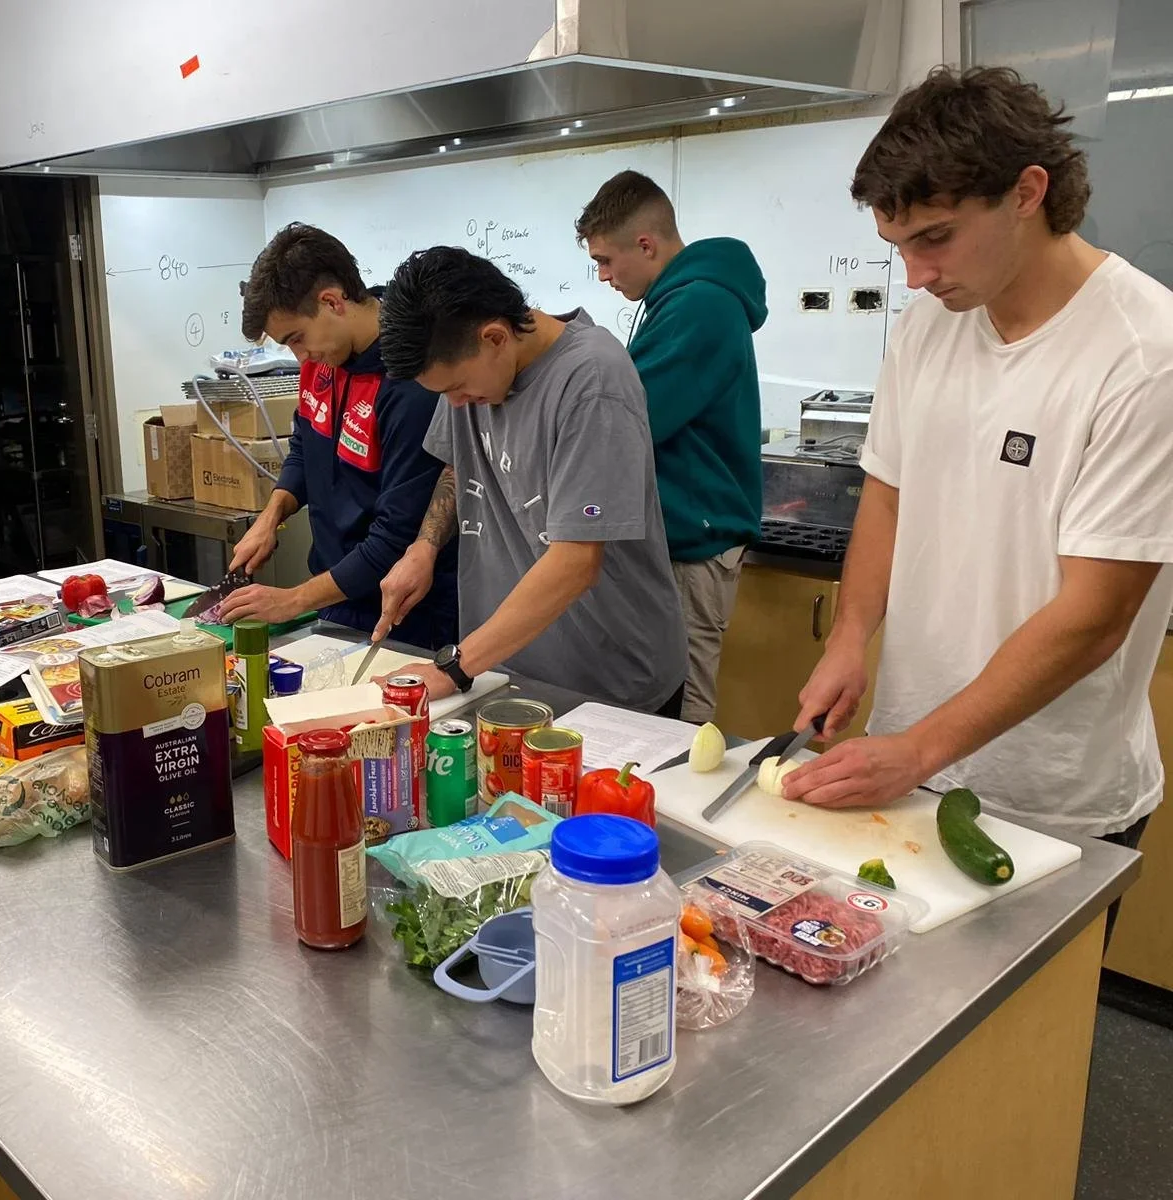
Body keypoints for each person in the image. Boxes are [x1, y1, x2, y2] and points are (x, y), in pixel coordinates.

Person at [780, 67, 1173, 940]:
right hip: (910, 767)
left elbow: (1095, 615)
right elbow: (887, 492)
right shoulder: (932, 323)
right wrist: (850, 636)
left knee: (1025, 1056)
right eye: (900, 246)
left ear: (1028, 191)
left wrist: (920, 747)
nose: (916, 276)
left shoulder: (1145, 354)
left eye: (937, 239)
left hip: (1051, 796)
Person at [372, 245, 686, 713]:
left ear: (496, 337)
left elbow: (577, 559)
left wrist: (455, 667)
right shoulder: (467, 373)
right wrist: (425, 547)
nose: (455, 403)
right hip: (505, 672)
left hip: (607, 686)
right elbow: (459, 465)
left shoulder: (592, 380)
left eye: (456, 388)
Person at [576, 171, 768, 722]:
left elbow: (631, 419)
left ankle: (674, 806)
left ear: (646, 244)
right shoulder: (679, 301)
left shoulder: (699, 305)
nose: (604, 276)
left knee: (681, 705)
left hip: (692, 545)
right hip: (680, 540)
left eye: (607, 261)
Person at [220, 223, 459, 650]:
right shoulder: (322, 362)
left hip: (404, 617)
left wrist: (292, 600)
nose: (300, 356)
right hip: (335, 601)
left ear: (332, 301)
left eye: (296, 338)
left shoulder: (411, 382)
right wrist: (271, 517)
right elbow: (305, 446)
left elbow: (394, 540)